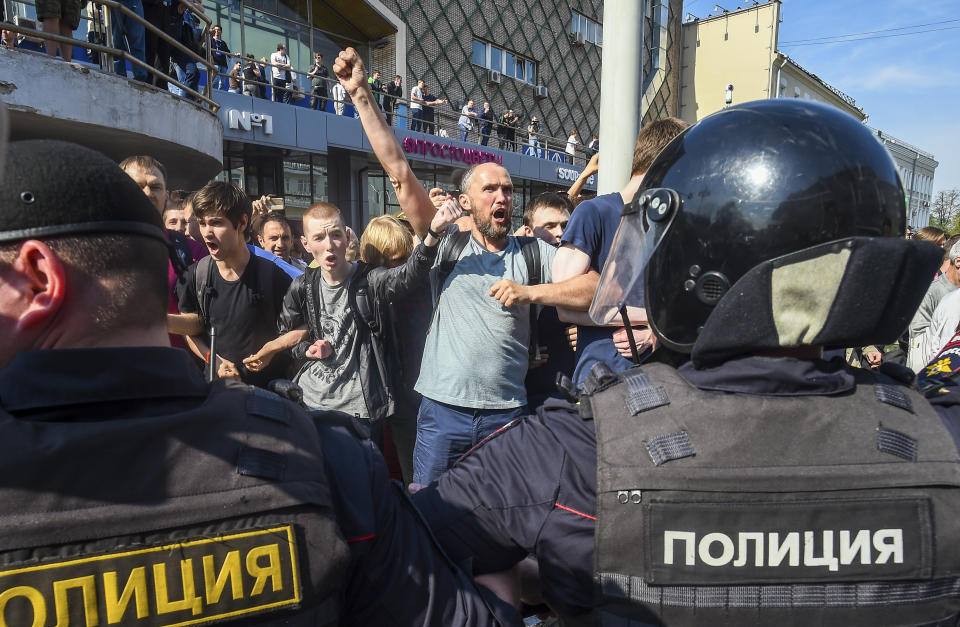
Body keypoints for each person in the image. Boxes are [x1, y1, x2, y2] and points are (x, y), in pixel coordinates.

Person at [412, 99, 960, 625]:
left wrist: (509, 601)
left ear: (698, 268)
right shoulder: (939, 439)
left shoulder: (576, 446)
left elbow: (403, 544)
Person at [0, 138, 520, 627]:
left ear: (39, 278)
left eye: (337, 233)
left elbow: (402, 273)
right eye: (319, 236)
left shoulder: (333, 455)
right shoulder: (326, 461)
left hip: (364, 409)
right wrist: (504, 583)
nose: (329, 243)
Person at [332, 47, 598, 485]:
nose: (501, 198)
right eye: (490, 189)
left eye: (508, 190)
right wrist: (361, 93)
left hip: (507, 414)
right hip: (442, 413)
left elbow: (593, 288)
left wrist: (533, 293)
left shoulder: (533, 254)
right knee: (430, 513)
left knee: (503, 523)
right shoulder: (447, 243)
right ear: (469, 200)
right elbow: (398, 171)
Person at [554, 117, 688, 386]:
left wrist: (655, 332)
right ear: (669, 161)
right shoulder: (593, 212)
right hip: (603, 383)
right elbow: (565, 307)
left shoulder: (677, 218)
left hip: (665, 379)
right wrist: (657, 320)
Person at [176, 181, 294, 387]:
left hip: (267, 399)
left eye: (216, 223)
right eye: (202, 223)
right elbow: (191, 332)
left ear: (241, 223)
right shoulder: (196, 276)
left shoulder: (273, 276)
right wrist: (213, 360)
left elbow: (303, 327)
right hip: (217, 397)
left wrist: (272, 349)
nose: (206, 232)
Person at [206, 24, 230, 90]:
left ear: (221, 32)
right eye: (215, 30)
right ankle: (211, 93)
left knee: (222, 83)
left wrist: (236, 55)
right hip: (215, 63)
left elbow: (229, 54)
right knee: (215, 80)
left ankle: (220, 96)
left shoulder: (223, 43)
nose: (217, 31)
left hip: (223, 64)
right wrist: (211, 59)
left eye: (218, 30)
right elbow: (207, 50)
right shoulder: (210, 40)